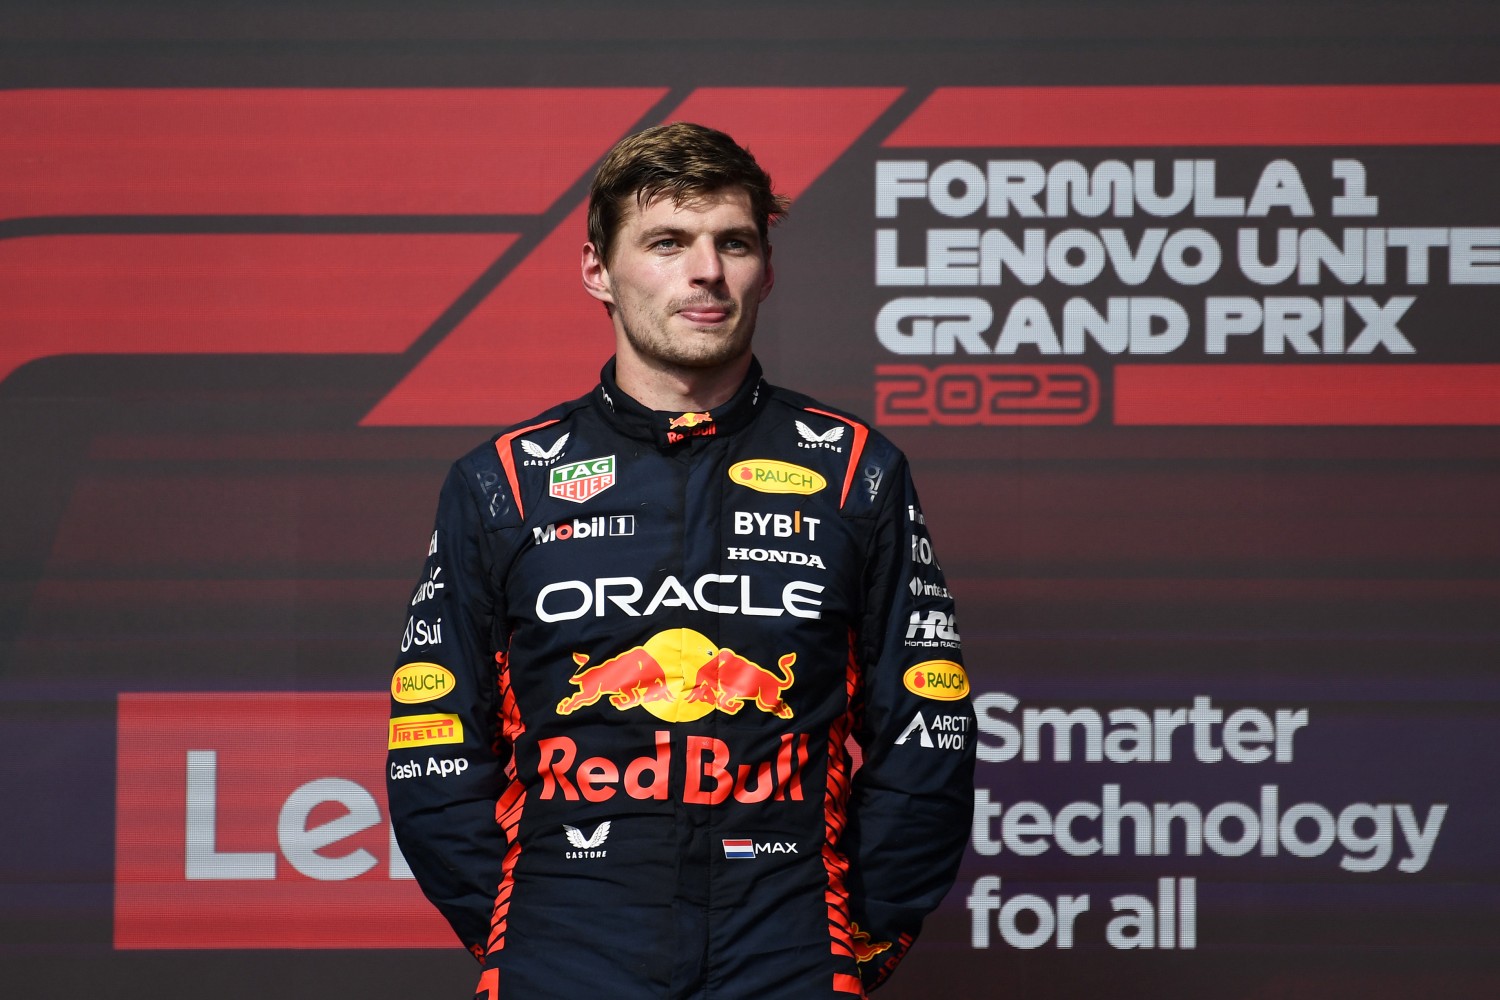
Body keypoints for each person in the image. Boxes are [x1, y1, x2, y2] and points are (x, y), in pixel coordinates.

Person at [387, 122, 974, 999]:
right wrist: (525, 924)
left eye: (732, 243)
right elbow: (431, 745)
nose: (706, 271)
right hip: (567, 936)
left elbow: (928, 734)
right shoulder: (500, 482)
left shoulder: (857, 471)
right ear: (597, 271)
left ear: (765, 271)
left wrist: (860, 935)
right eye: (667, 242)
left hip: (789, 942)